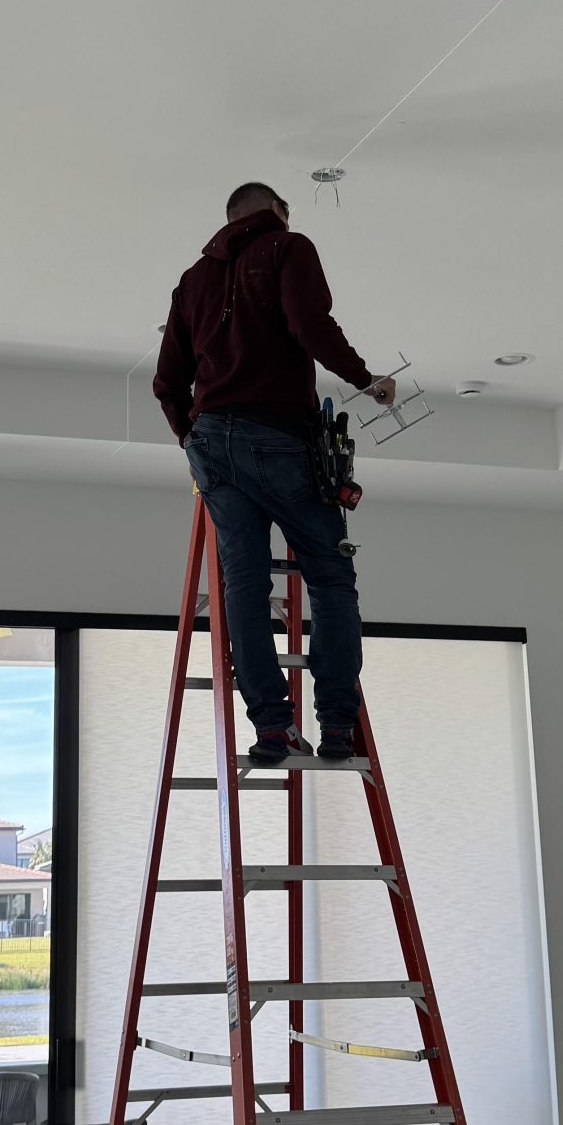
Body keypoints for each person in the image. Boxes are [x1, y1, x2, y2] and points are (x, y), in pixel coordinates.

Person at [153, 182, 396, 767]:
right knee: (330, 578)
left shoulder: (192, 280)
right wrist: (366, 380)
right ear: (278, 211)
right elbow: (310, 325)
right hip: (278, 435)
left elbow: (167, 380)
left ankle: (271, 729)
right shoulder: (288, 247)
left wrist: (190, 436)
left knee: (243, 584)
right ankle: (336, 725)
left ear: (229, 217)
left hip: (211, 444)